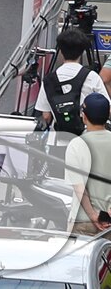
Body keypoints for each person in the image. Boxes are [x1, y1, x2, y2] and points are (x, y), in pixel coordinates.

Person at [37, 30, 110, 132]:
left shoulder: (48, 79)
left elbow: (46, 115)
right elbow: (107, 108)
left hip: (58, 138)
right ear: (82, 52)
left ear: (61, 52)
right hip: (85, 138)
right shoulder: (92, 76)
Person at [66, 93, 111, 234]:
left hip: (84, 222)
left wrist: (92, 215)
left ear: (84, 116)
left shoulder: (76, 144)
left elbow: (80, 187)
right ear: (108, 114)